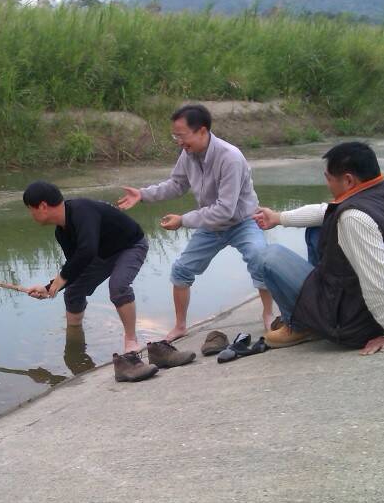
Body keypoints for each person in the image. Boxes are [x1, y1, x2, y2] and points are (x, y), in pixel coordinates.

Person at [117, 104, 274, 341]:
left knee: (260, 257)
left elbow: (225, 209)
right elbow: (177, 184)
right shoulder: (188, 154)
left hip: (243, 221)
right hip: (212, 225)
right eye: (175, 136)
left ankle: (269, 314)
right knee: (181, 270)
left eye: (181, 135)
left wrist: (183, 220)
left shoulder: (230, 157)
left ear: (202, 131)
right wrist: (143, 194)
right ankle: (180, 326)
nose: (178, 141)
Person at [252, 141, 384, 355]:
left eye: (329, 179)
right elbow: (327, 210)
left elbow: (377, 276)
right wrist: (279, 217)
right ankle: (312, 312)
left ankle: (300, 325)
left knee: (268, 257)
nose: (328, 185)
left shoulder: (354, 218)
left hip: (354, 324)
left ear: (349, 180)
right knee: (319, 226)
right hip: (382, 300)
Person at [23, 181, 195, 383]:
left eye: (30, 209)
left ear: (42, 206)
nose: (31, 215)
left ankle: (131, 342)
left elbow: (86, 250)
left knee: (118, 286)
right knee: (73, 292)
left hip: (130, 246)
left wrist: (60, 279)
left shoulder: (81, 211)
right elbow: (76, 265)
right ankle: (75, 347)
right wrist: (49, 287)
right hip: (101, 255)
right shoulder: (61, 232)